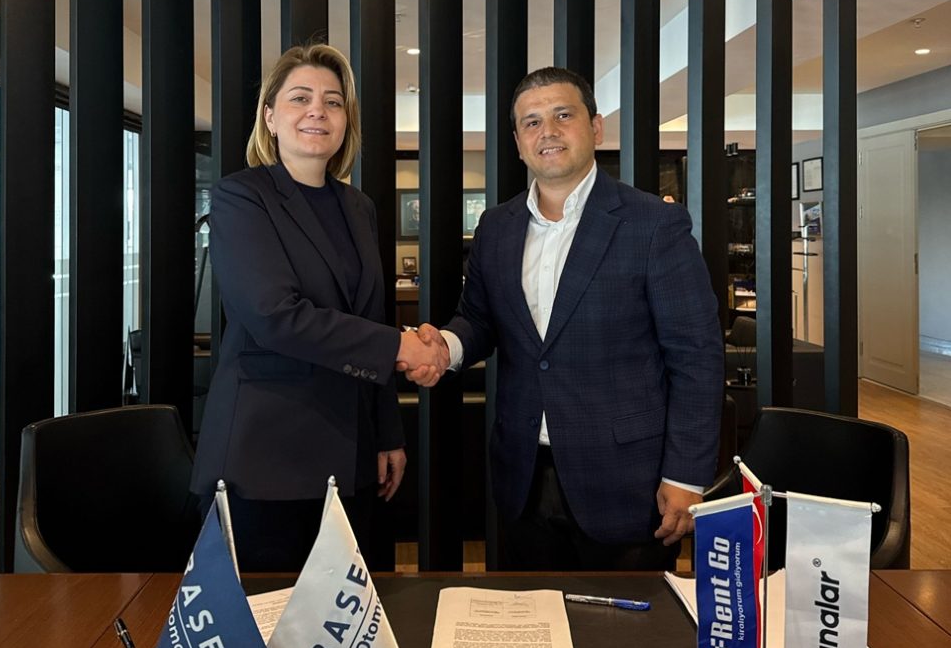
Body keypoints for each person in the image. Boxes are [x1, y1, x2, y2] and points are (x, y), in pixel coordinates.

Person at [405, 66, 724, 570]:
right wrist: (447, 346)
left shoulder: (653, 225)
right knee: (530, 616)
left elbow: (697, 357)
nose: (547, 131)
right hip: (524, 477)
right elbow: (480, 319)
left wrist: (685, 474)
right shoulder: (496, 227)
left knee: (627, 622)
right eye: (531, 122)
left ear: (595, 128)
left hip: (628, 482)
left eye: (562, 115)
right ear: (518, 142)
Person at [191, 44, 445, 570]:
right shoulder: (240, 198)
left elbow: (368, 317)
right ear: (270, 116)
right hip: (266, 461)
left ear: (346, 120)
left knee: (349, 613)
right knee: (266, 614)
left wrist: (387, 432)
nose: (317, 111)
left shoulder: (358, 207)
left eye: (332, 102)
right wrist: (400, 347)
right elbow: (274, 316)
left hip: (351, 455)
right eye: (300, 98)